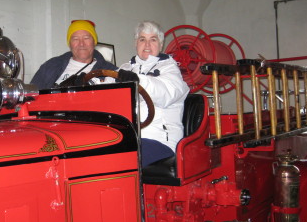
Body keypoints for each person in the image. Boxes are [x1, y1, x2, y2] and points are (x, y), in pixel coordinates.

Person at [117, 21, 189, 167]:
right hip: (128, 137)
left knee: (120, 161)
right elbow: (107, 87)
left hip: (160, 140)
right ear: (136, 43)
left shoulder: (170, 69)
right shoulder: (125, 69)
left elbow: (166, 93)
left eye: (153, 40)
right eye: (142, 39)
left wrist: (139, 80)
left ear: (161, 44)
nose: (147, 45)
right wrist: (87, 83)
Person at [31, 20, 117, 89]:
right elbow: (30, 97)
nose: (81, 44)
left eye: (86, 38)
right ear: (69, 44)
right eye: (75, 39)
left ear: (94, 42)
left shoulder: (109, 71)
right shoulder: (50, 66)